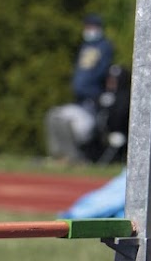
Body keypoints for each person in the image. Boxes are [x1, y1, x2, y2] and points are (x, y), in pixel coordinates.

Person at [43, 14, 116, 165]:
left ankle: (74, 159)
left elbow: (102, 73)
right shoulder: (84, 46)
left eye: (91, 27)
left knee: (63, 120)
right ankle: (60, 156)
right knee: (53, 116)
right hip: (80, 103)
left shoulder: (104, 47)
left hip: (92, 107)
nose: (88, 30)